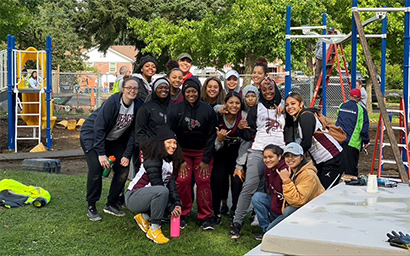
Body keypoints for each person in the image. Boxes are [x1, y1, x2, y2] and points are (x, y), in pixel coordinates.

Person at [229, 77, 286, 239]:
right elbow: (249, 134)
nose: (268, 92)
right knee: (250, 186)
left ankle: (275, 224)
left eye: (271, 89)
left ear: (276, 89)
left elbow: (291, 127)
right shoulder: (257, 108)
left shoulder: (283, 107)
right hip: (259, 150)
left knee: (280, 188)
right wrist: (240, 129)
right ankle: (237, 223)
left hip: (279, 152)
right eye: (264, 90)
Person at [80, 78, 143, 221]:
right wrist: (101, 154)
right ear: (123, 89)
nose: (132, 91)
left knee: (123, 168)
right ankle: (91, 206)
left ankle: (111, 203)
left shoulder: (138, 106)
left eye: (135, 88)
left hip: (114, 139)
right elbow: (99, 128)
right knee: (96, 169)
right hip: (92, 135)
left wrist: (126, 155)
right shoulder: (113, 102)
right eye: (129, 88)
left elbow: (134, 133)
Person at [168, 76, 217, 230]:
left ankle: (205, 216)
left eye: (194, 91)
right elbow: (172, 135)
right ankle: (183, 213)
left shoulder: (207, 110)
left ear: (198, 92)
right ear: (184, 92)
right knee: (182, 181)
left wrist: (206, 159)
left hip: (202, 152)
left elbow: (211, 137)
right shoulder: (176, 109)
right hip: (183, 153)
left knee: (203, 182)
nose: (191, 94)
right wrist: (180, 159)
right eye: (188, 91)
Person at [126, 126, 183, 244]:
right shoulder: (153, 159)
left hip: (148, 195)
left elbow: (171, 184)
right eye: (169, 142)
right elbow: (158, 186)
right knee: (162, 192)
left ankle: (144, 218)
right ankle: (154, 230)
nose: (173, 146)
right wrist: (170, 207)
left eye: (175, 143)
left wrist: (177, 203)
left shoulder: (169, 160)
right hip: (133, 197)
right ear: (161, 143)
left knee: (165, 193)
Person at [284, 92, 343, 189]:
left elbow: (306, 143)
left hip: (332, 159)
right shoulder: (299, 119)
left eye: (293, 103)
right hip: (322, 162)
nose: (290, 107)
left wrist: (293, 157)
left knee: (323, 193)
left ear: (301, 104)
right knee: (317, 192)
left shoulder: (305, 117)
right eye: (287, 105)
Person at [266, 142, 325, 230]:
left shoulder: (308, 174)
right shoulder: (293, 171)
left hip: (314, 213)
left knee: (288, 211)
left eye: (294, 155)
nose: (290, 159)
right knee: (259, 199)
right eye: (287, 156)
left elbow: (298, 201)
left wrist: (286, 181)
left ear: (301, 157)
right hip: (302, 208)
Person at [211, 92, 246, 225]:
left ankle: (235, 211)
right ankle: (216, 211)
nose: (234, 105)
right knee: (218, 178)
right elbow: (214, 145)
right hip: (220, 151)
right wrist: (219, 140)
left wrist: (240, 165)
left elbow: (245, 143)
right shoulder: (218, 116)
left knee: (237, 179)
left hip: (237, 153)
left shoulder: (243, 117)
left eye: (237, 103)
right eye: (231, 102)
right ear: (225, 103)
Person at [252, 144, 287, 240]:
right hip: (275, 205)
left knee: (272, 230)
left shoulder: (286, 169)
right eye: (265, 157)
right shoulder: (267, 169)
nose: (267, 160)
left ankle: (269, 232)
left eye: (271, 157)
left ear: (279, 157)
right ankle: (265, 230)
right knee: (257, 197)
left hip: (287, 210)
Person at [336, 89, 370, 177]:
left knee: (339, 168)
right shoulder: (361, 110)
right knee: (351, 170)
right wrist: (366, 140)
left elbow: (338, 117)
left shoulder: (342, 106)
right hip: (352, 142)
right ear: (359, 99)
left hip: (339, 140)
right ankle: (351, 188)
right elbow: (363, 128)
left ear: (349, 96)